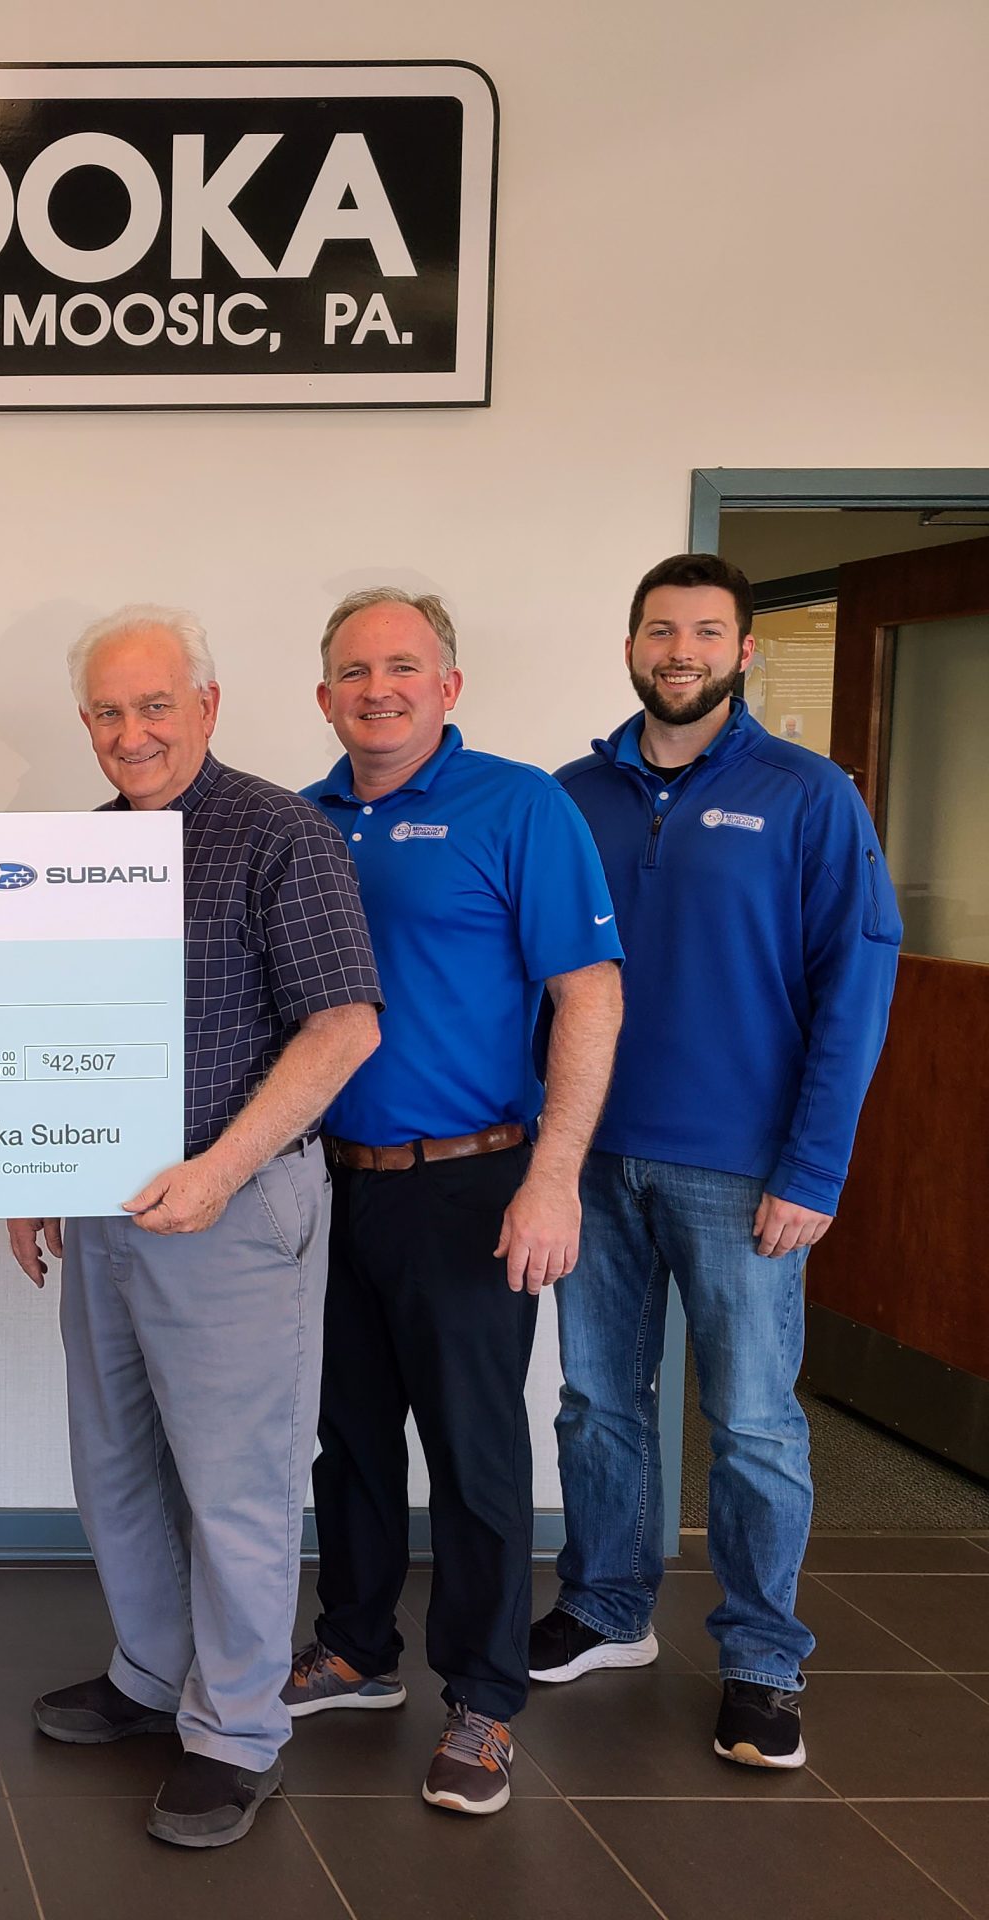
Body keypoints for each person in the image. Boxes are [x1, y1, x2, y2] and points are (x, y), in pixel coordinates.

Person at [7, 605, 382, 1850]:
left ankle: (234, 1733)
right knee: (114, 1461)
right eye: (109, 712)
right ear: (86, 724)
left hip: (231, 1206)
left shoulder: (279, 835)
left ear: (206, 707)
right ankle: (152, 1673)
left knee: (236, 1483)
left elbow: (344, 1027)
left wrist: (220, 1170)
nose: (133, 732)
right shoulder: (82, 853)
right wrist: (30, 1169)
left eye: (155, 705)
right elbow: (51, 1026)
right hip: (106, 1203)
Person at [536, 553, 901, 1769]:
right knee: (596, 1403)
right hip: (590, 1158)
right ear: (629, 646)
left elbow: (855, 987)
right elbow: (530, 981)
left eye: (703, 632)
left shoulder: (807, 795)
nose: (679, 651)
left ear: (742, 650)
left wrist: (815, 1169)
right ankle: (606, 1607)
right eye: (659, 630)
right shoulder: (571, 796)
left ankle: (760, 1660)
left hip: (742, 1172)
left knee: (750, 1423)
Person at [283, 588, 623, 1816]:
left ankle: (482, 1701)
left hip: (472, 1181)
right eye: (353, 671)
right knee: (347, 1435)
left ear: (448, 686)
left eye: (402, 667)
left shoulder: (518, 806)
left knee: (474, 1452)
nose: (377, 689)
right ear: (323, 696)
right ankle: (355, 1647)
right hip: (324, 1182)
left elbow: (588, 995)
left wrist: (553, 1178)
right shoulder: (301, 820)